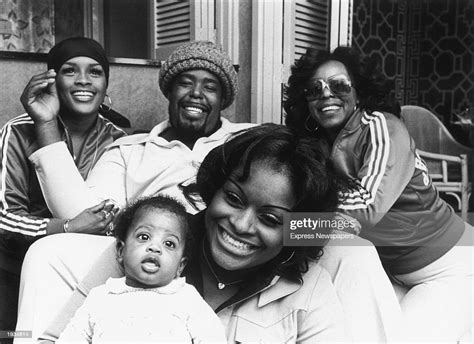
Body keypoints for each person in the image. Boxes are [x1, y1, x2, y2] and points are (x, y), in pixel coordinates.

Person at [18, 125, 402, 343]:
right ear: (214, 189)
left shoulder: (311, 289)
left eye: (270, 219)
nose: (240, 224)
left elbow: (348, 230)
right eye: (234, 198)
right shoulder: (149, 252)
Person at [15, 40, 254, 341]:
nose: (196, 93)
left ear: (223, 99)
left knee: (331, 241)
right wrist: (46, 123)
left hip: (230, 242)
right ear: (169, 91)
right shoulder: (129, 149)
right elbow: (81, 214)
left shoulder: (247, 139)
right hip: (153, 248)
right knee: (46, 252)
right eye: (185, 83)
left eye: (210, 87)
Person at [284, 46, 473, 341]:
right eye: (313, 89)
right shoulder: (314, 144)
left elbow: (365, 214)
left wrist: (289, 228)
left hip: (450, 267)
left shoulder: (383, 127)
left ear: (359, 92)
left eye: (339, 85)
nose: (325, 94)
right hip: (391, 271)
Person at [0, 37, 126, 335]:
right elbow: (3, 217)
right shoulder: (17, 132)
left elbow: (115, 216)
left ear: (106, 84)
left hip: (84, 268)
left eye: (95, 72)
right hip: (12, 267)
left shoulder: (119, 139)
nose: (83, 80)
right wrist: (66, 227)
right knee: (15, 335)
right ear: (51, 79)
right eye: (70, 71)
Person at [57, 195, 226, 343]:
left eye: (169, 244)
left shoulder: (187, 299)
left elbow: (213, 338)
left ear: (180, 266)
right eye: (144, 237)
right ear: (121, 251)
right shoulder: (100, 297)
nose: (155, 247)